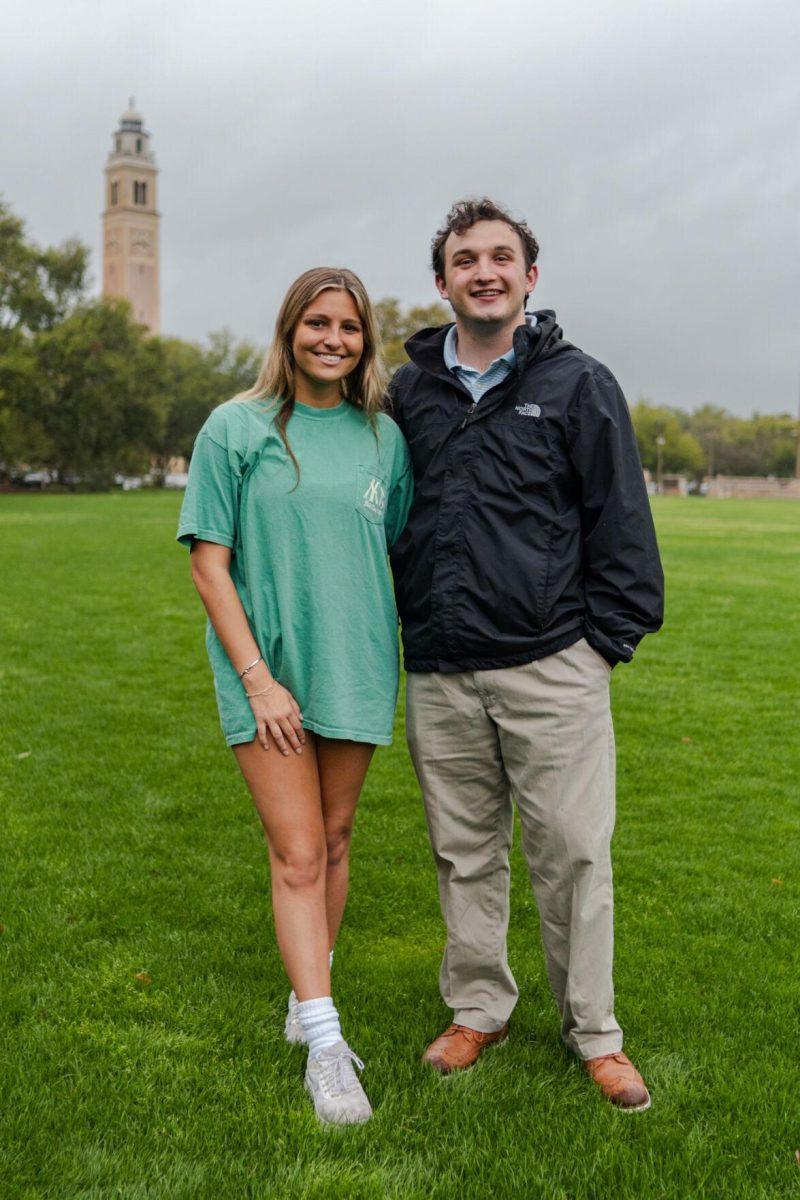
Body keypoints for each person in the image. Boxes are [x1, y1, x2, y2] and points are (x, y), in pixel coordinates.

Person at [388, 198, 664, 1111]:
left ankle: (595, 1032)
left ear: (530, 277)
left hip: (552, 664)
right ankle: (479, 1009)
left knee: (575, 855)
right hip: (440, 667)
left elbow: (620, 522)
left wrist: (602, 647)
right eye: (465, 259)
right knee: (463, 853)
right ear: (442, 282)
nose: (485, 272)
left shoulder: (579, 383)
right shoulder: (408, 391)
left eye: (501, 257)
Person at [177, 267, 412, 1126]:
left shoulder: (384, 438)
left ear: (365, 341)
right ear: (289, 330)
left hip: (356, 664)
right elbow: (209, 566)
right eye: (317, 323)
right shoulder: (233, 429)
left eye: (349, 328)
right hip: (265, 674)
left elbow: (391, 549)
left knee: (339, 838)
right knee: (298, 853)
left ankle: (306, 990)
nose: (333, 339)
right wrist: (258, 680)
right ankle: (324, 1044)